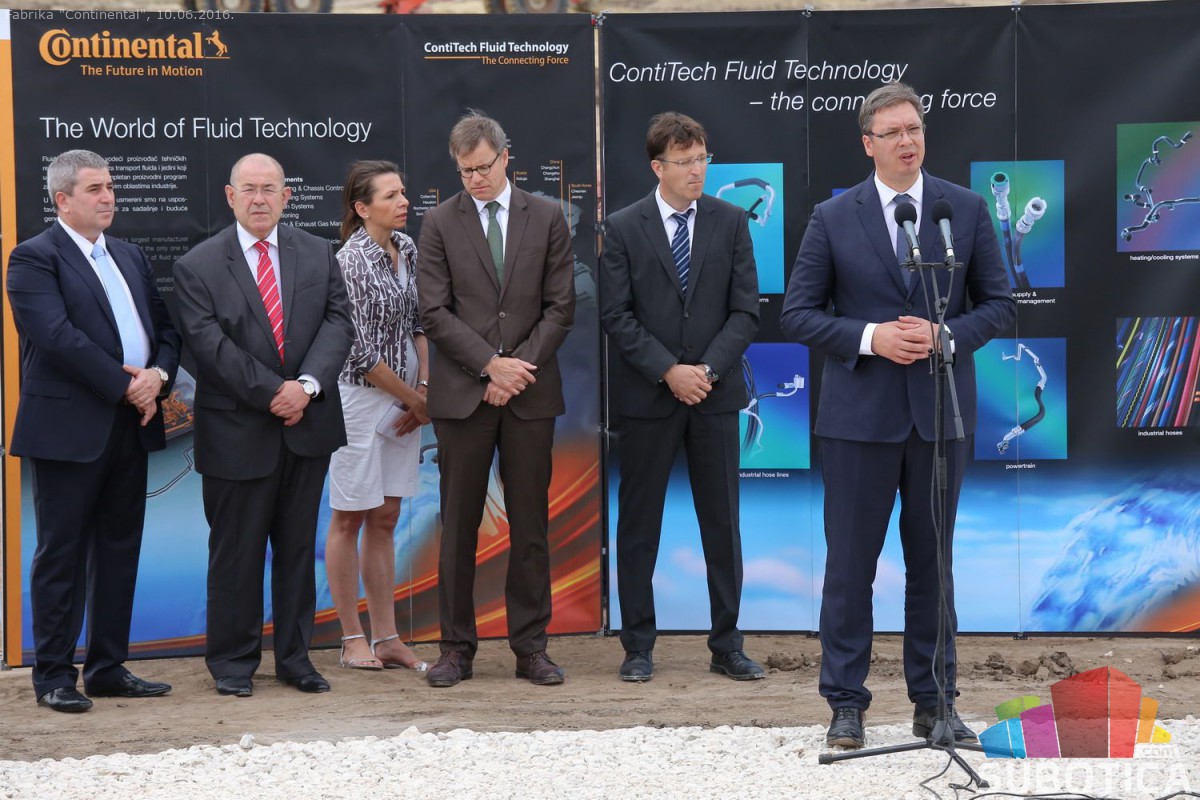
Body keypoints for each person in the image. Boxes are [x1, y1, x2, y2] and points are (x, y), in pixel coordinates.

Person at [780, 83, 1016, 748]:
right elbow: (798, 313)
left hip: (940, 417)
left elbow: (999, 303)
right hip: (858, 422)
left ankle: (936, 703)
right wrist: (870, 337)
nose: (907, 141)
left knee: (933, 567)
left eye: (914, 128)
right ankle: (846, 704)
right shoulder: (833, 217)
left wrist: (947, 336)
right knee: (850, 568)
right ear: (868, 144)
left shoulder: (962, 209)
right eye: (893, 133)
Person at [173, 153, 354, 698]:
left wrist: (307, 387)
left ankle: (296, 660)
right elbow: (208, 345)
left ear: (285, 196)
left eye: (269, 188)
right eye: (248, 189)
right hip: (237, 434)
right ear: (230, 197)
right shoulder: (198, 265)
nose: (259, 199)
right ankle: (232, 663)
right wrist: (275, 393)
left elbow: (338, 322)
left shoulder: (319, 252)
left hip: (307, 427)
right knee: (237, 554)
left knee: (297, 551)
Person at [7, 149, 180, 713]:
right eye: (95, 189)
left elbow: (165, 329)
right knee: (61, 553)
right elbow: (56, 337)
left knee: (118, 550)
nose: (109, 197)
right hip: (69, 430)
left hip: (132, 425)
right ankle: (54, 676)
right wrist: (126, 385)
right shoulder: (33, 258)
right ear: (63, 200)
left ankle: (107, 668)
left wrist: (157, 377)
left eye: (110, 187)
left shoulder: (129, 254)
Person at [599, 112, 763, 683]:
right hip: (649, 398)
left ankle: (727, 645)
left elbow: (746, 311)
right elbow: (616, 315)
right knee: (639, 524)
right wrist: (669, 371)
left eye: (702, 159)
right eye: (685, 161)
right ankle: (637, 646)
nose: (697, 170)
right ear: (657, 167)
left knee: (722, 524)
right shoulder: (624, 227)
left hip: (714, 397)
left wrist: (706, 371)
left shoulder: (731, 221)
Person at [416, 110, 575, 688]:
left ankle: (531, 648)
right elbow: (433, 311)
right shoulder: (439, 222)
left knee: (529, 525)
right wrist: (489, 365)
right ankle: (455, 649)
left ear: (506, 157)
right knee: (458, 526)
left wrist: (515, 370)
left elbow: (561, 306)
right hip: (464, 396)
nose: (475, 179)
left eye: (483, 168)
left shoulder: (548, 216)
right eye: (465, 172)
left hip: (529, 394)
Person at [325, 160, 429, 673]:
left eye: (403, 192)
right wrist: (415, 400)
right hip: (360, 403)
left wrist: (422, 390)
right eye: (390, 196)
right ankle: (351, 638)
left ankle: (387, 637)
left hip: (407, 400)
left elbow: (419, 325)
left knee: (386, 516)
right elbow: (360, 354)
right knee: (349, 517)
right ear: (362, 208)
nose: (403, 202)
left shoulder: (407, 247)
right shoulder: (350, 261)